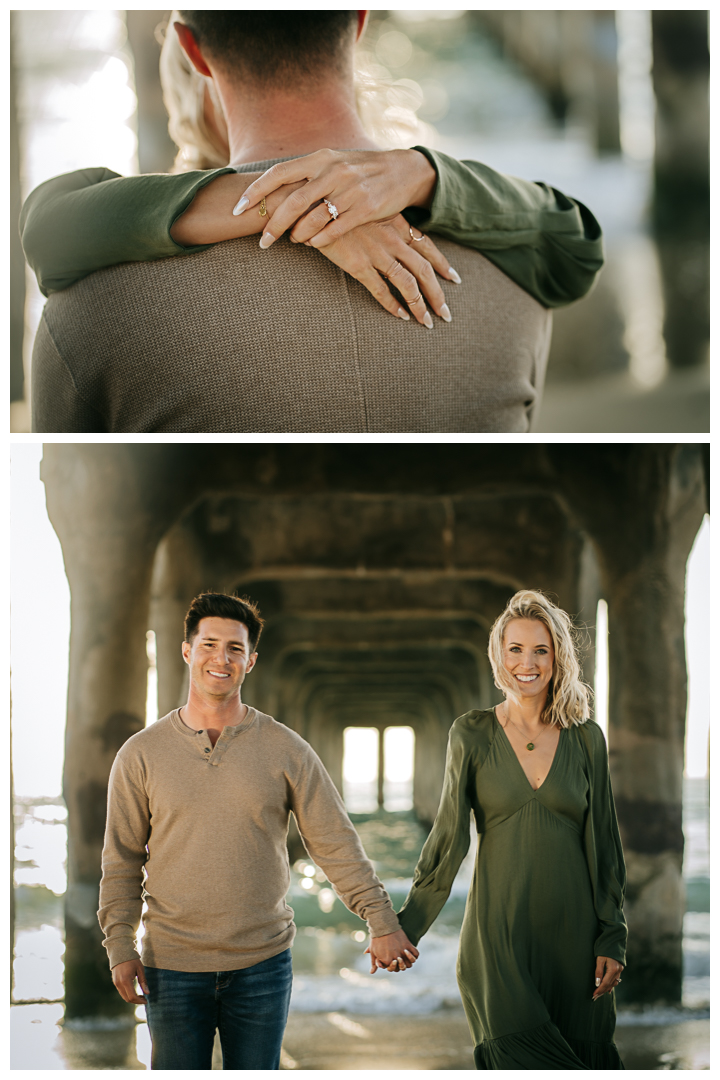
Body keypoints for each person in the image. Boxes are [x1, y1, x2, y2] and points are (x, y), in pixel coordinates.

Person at [22, 12, 601, 433]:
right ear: (358, 21)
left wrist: (420, 173)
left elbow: (48, 228)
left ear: (191, 49)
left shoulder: (91, 318)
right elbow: (575, 245)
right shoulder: (517, 280)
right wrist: (422, 176)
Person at [98, 591, 418, 1070]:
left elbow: (333, 843)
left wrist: (382, 921)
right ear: (187, 651)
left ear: (250, 660)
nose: (220, 659)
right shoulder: (140, 754)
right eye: (208, 644)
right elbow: (121, 859)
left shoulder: (286, 749)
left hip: (262, 965)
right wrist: (120, 944)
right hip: (172, 965)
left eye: (234, 648)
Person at [397, 590, 627, 1070]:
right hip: (496, 941)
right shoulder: (472, 733)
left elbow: (604, 845)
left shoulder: (587, 738)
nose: (528, 662)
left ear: (557, 656)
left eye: (540, 649)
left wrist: (612, 936)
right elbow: (448, 840)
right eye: (516, 649)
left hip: (576, 946)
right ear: (499, 655)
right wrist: (405, 928)